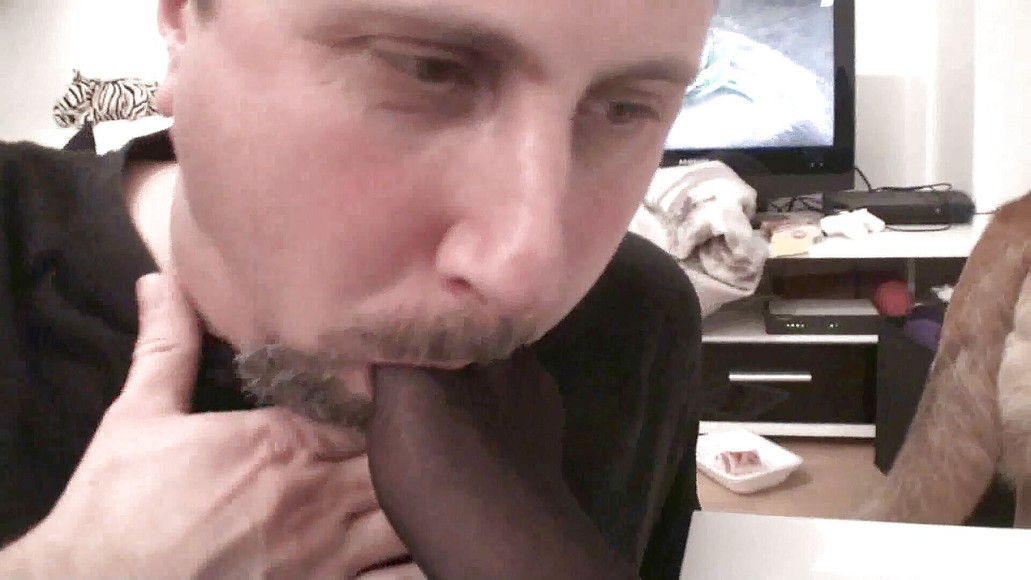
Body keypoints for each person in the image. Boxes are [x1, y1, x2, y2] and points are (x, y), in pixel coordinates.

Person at [0, 0, 713, 577]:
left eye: (625, 109)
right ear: (180, 18)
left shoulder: (640, 317)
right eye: (428, 69)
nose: (523, 275)